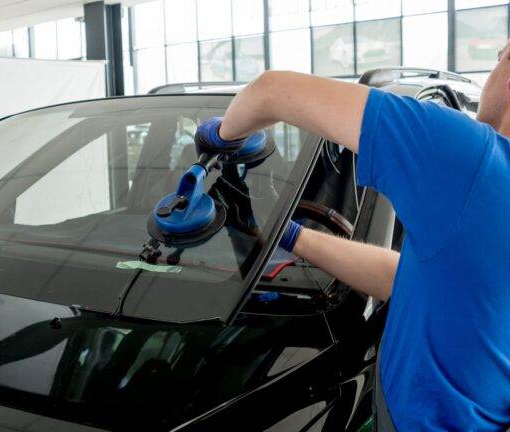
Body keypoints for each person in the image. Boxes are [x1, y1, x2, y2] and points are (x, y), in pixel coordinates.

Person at [194, 47, 510, 430]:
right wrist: (291, 236)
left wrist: (220, 139)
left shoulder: (473, 159)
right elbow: (407, 278)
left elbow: (269, 90)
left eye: (500, 57)